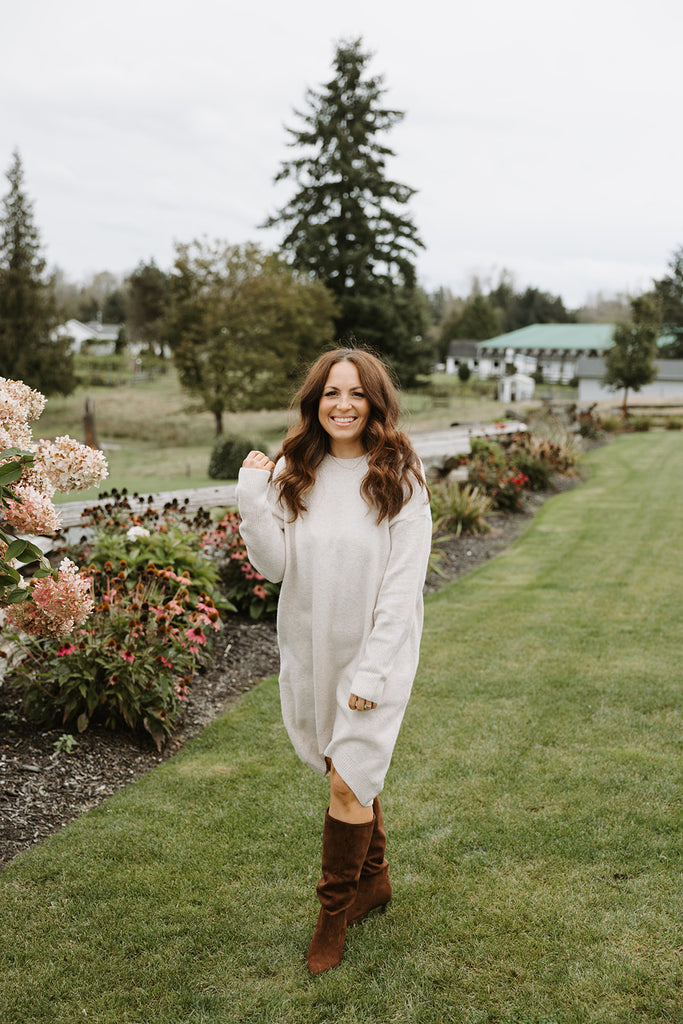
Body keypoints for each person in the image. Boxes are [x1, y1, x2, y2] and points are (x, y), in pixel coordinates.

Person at [235, 346, 432, 975]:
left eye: (355, 394)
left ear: (375, 402)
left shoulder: (400, 475)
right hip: (312, 645)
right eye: (331, 394)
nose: (343, 405)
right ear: (314, 402)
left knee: (348, 781)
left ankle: (331, 918)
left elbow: (402, 588)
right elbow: (274, 565)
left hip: (377, 651)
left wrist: (373, 673)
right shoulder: (298, 467)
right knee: (341, 770)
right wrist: (251, 496)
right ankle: (374, 880)